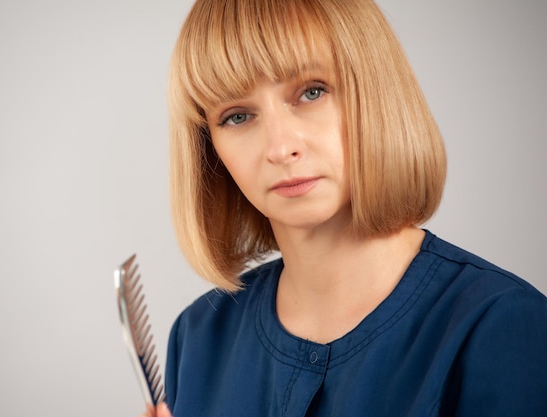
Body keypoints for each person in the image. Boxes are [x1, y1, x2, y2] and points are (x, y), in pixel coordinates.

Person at [142, 0, 547, 415]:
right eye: (237, 116)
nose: (281, 148)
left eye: (311, 92)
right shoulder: (198, 339)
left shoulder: (500, 327)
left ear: (376, 93)